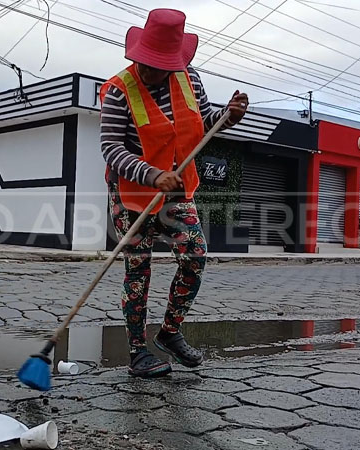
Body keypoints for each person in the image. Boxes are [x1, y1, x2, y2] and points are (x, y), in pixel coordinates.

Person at [100, 8, 248, 378]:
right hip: (132, 196)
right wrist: (151, 174)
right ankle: (137, 351)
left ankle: (170, 332)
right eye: (145, 63)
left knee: (195, 256)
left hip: (177, 193)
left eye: (160, 65)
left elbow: (202, 124)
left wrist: (228, 117)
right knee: (138, 269)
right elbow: (111, 149)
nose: (151, 71)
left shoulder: (189, 81)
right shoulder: (119, 91)